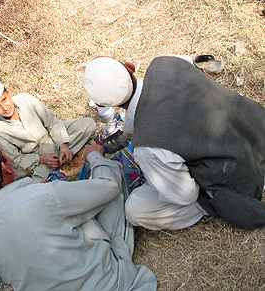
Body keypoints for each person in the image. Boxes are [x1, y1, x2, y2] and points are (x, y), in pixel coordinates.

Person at [82, 55, 265, 231]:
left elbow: (185, 194)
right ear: (130, 67)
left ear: (100, 103)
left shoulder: (147, 145)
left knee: (135, 209)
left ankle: (210, 204)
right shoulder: (165, 62)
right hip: (256, 128)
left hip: (242, 176)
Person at [0, 141, 157, 291]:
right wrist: (95, 156)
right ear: (6, 168)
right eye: (4, 154)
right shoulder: (42, 195)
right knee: (111, 181)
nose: (9, 157)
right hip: (108, 284)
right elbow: (109, 187)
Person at [0, 78, 96, 182]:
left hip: (50, 136)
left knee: (88, 124)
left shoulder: (25, 99)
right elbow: (16, 159)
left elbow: (51, 121)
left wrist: (63, 145)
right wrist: (42, 159)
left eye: (4, 99)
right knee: (37, 186)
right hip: (38, 158)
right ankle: (61, 161)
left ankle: (62, 157)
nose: (5, 107)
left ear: (8, 91)